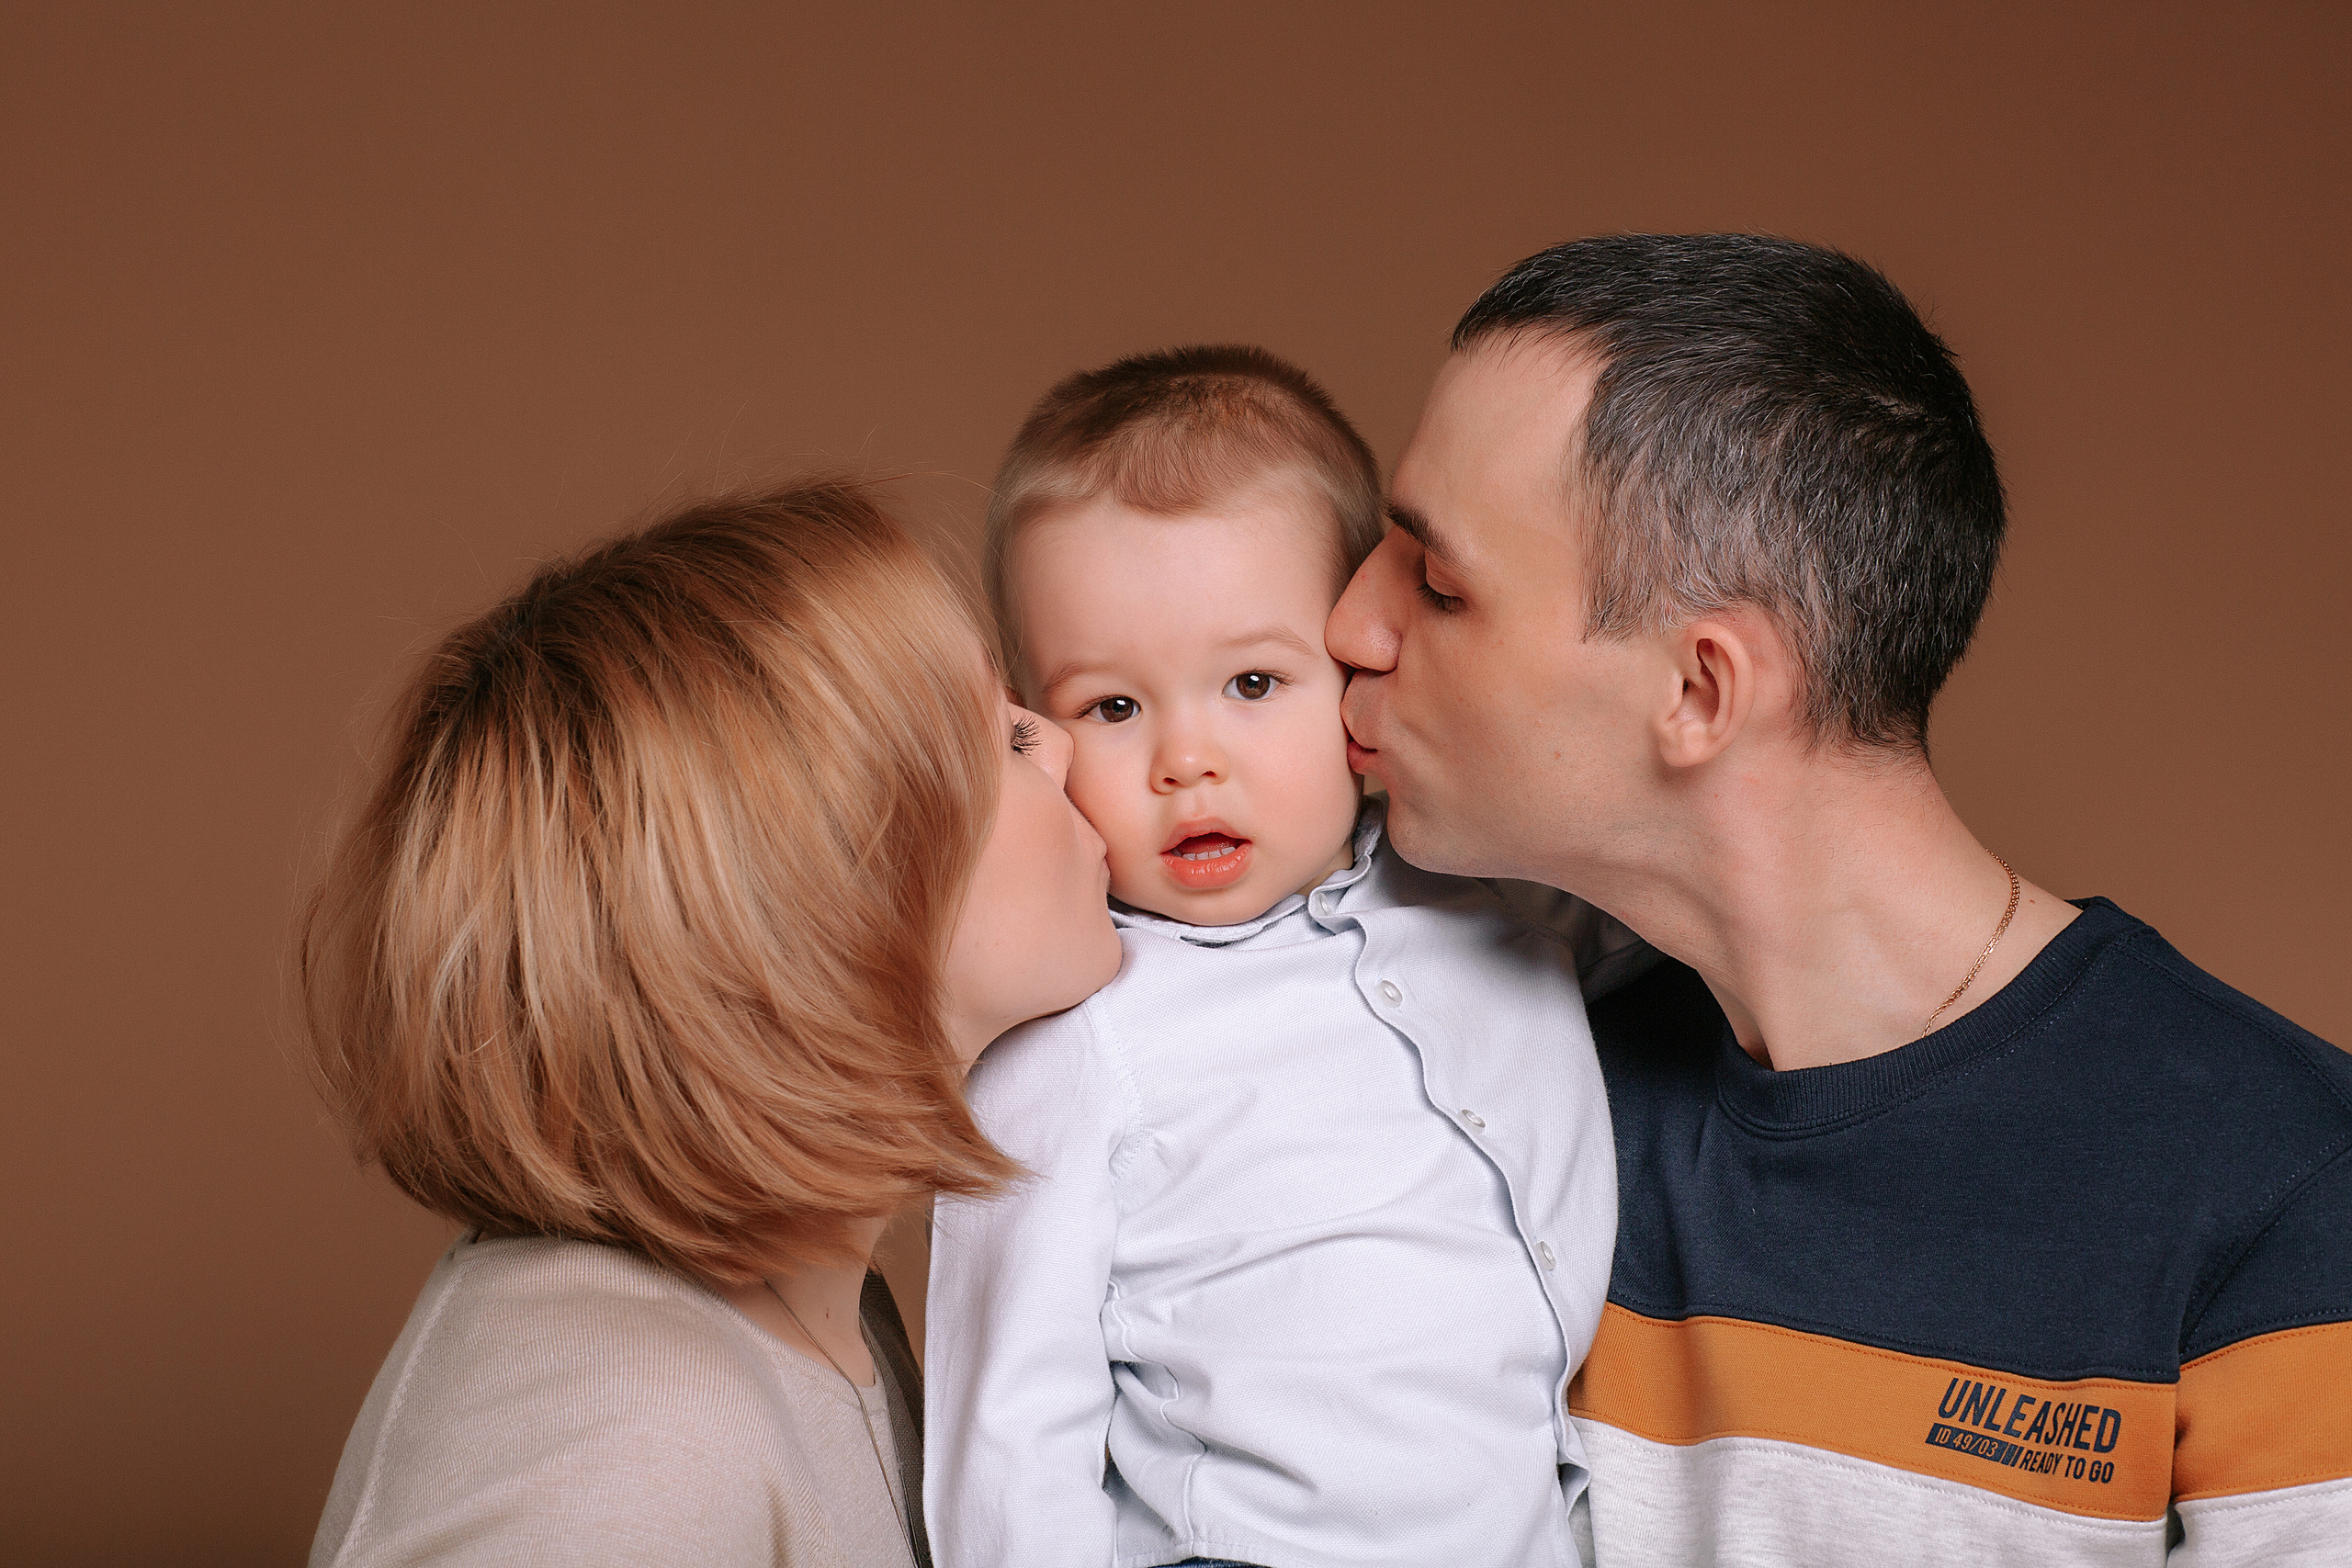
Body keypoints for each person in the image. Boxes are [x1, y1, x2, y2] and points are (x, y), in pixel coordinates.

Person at [1327, 233, 2352, 1566]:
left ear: (1700, 691)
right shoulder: (1477, 1079)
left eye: (1440, 582)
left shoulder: (2289, 1189)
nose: (1350, 622)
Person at [299, 480, 1123, 1567]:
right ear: (836, 892)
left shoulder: (829, 1318)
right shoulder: (619, 1437)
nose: (1061, 745)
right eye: (1003, 739)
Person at [923, 347, 1647, 1568]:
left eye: (1252, 680)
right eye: (1113, 707)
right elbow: (1010, 1427)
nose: (1187, 759)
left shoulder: (1499, 897)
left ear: (1359, 675)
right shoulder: (1076, 1033)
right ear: (1035, 727)